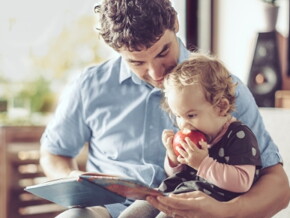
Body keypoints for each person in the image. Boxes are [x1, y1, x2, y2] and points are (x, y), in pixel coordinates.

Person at [39, 0, 290, 217]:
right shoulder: (90, 85)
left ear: (176, 24)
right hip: (106, 210)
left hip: (193, 208)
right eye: (137, 62)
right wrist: (73, 178)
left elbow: (277, 187)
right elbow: (53, 154)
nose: (156, 74)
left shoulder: (221, 90)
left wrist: (225, 212)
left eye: (163, 52)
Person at [118, 53, 262, 218]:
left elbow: (242, 182)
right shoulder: (199, 133)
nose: (183, 125)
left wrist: (203, 163)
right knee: (135, 212)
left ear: (221, 107)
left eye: (191, 115)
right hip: (176, 190)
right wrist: (173, 157)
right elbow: (177, 174)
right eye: (178, 116)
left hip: (208, 202)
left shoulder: (240, 135)